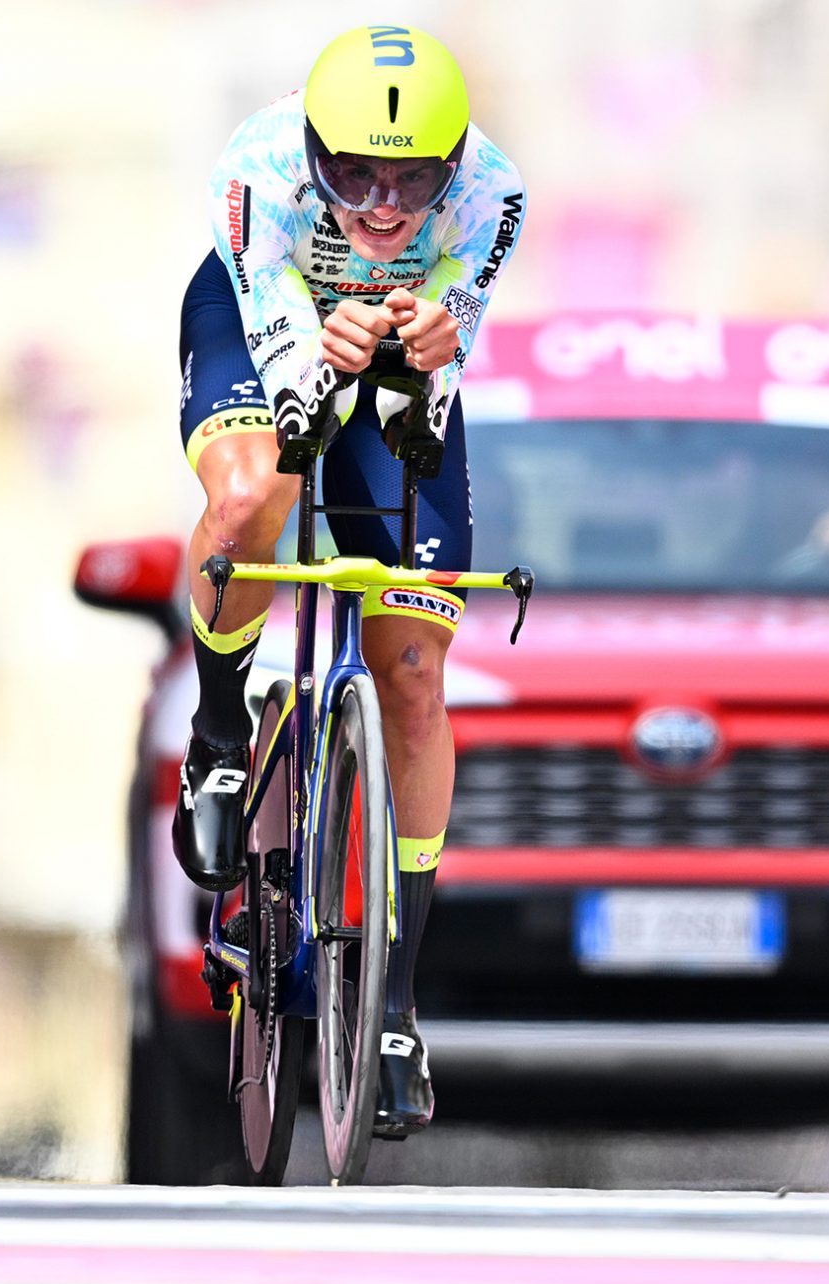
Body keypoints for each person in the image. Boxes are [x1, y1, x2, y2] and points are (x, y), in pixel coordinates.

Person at [172, 25, 525, 1136]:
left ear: (454, 165)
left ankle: (394, 999)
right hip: (260, 320)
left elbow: (434, 380)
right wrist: (312, 359)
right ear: (313, 151)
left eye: (408, 178)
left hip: (396, 353)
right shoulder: (260, 167)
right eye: (353, 175)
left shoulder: (493, 198)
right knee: (251, 502)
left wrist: (426, 340)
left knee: (414, 672)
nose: (378, 203)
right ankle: (223, 736)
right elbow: (287, 377)